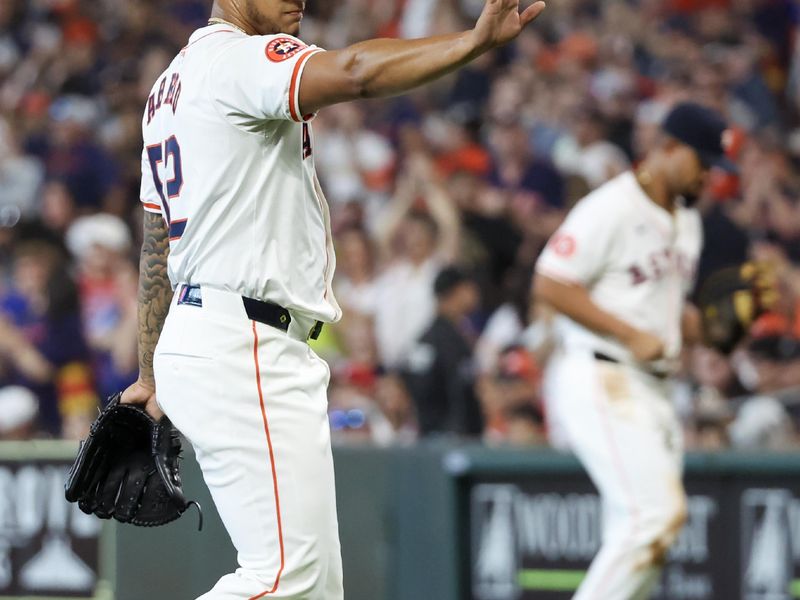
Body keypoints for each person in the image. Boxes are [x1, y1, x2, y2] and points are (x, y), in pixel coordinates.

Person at [119, 0, 547, 599]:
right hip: (242, 341)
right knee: (288, 579)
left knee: (313, 587)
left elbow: (156, 244)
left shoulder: (167, 87)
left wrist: (148, 371)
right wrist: (470, 44)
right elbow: (355, 73)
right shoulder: (239, 59)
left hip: (211, 334)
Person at [533, 101, 736, 600]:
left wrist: (717, 326)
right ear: (667, 147)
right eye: (702, 161)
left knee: (642, 537)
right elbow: (552, 284)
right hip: (603, 375)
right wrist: (627, 333)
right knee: (655, 517)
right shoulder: (611, 206)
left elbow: (668, 315)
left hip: (654, 387)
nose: (709, 175)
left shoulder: (688, 221)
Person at [405, 266, 483, 437]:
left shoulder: (452, 335)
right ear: (457, 291)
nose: (474, 293)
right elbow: (419, 389)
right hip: (446, 437)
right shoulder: (437, 340)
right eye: (468, 288)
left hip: (449, 435)